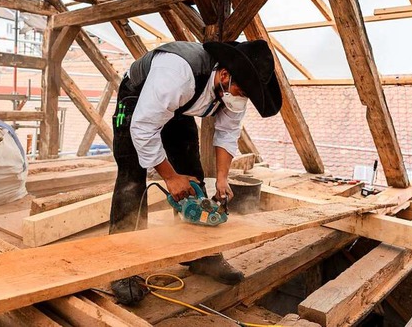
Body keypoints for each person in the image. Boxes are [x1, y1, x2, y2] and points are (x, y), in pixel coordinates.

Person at [109, 40, 283, 305]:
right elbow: (143, 128)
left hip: (177, 107)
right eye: (241, 91)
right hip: (137, 101)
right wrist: (170, 177)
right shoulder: (178, 73)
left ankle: (201, 255)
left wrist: (222, 179)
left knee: (192, 172)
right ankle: (123, 266)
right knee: (132, 179)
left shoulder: (234, 89)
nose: (242, 97)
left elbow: (227, 133)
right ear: (224, 75)